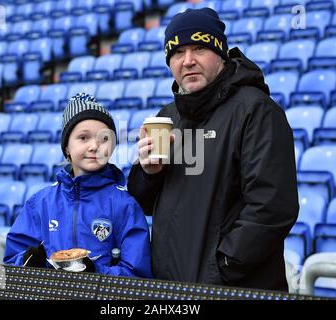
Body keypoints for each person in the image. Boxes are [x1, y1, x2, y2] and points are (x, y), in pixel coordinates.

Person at [127, 8, 299, 291]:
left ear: (220, 53)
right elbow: (143, 204)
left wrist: (221, 268)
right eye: (178, 52)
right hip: (171, 287)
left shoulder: (256, 111)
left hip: (230, 288)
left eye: (199, 48)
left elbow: (272, 207)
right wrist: (148, 173)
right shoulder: (167, 117)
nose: (188, 61)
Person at [4, 93, 152, 279]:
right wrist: (27, 262)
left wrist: (96, 273)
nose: (94, 146)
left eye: (104, 139)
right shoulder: (41, 203)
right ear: (66, 147)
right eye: (83, 138)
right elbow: (12, 261)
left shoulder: (125, 205)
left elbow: (138, 274)